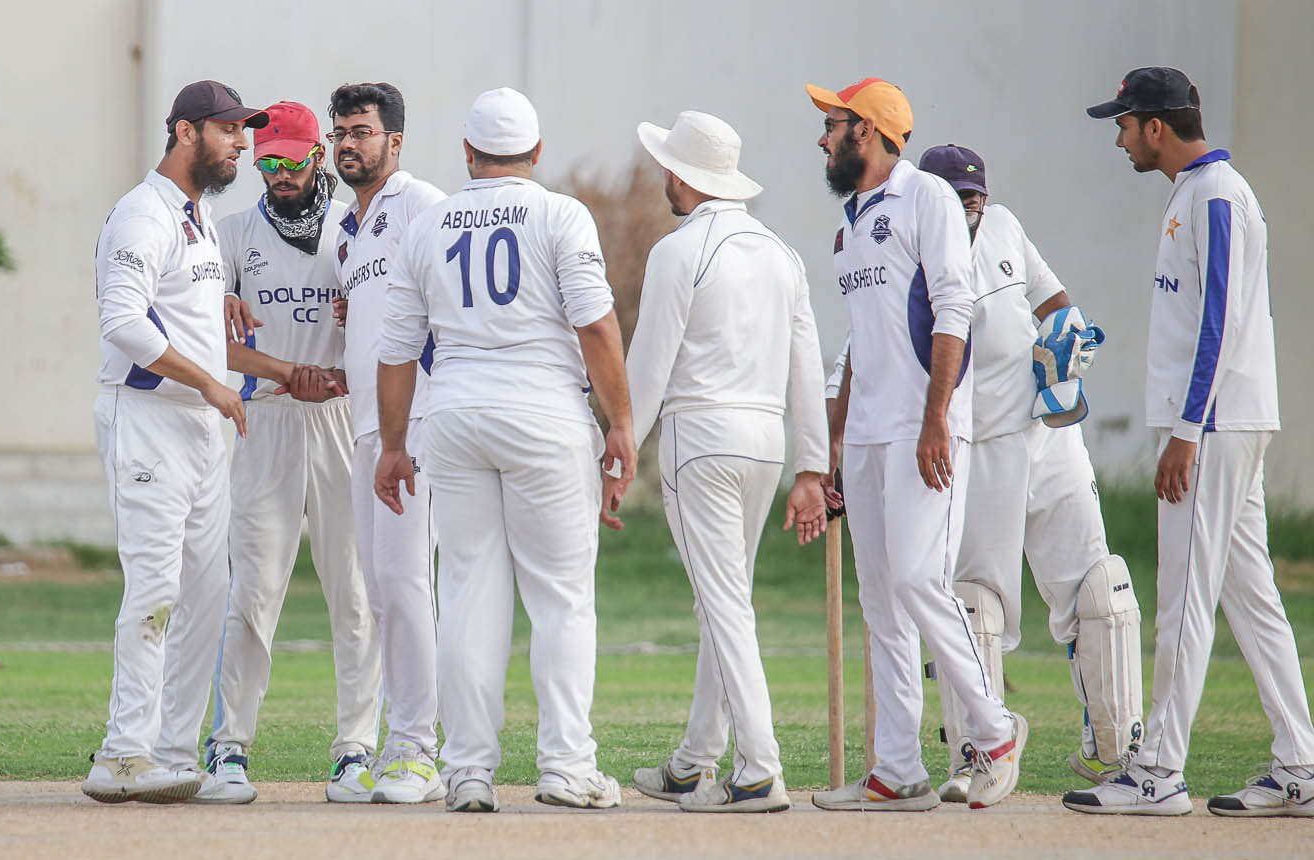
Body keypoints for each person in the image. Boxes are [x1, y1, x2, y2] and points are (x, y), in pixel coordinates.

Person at [373, 87, 634, 813]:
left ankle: (467, 771)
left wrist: (393, 446)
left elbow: (396, 352)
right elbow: (597, 326)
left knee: (466, 593)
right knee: (561, 599)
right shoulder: (560, 214)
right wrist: (620, 421)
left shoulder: (427, 225)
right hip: (545, 412)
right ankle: (566, 767)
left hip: (454, 414)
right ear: (537, 152)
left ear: (468, 152)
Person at [1067, 66, 1314, 818]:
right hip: (1221, 420)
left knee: (1183, 599)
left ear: (1156, 125)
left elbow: (1220, 322)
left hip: (1212, 424)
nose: (1119, 139)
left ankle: (1158, 772)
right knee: (1250, 597)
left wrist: (1185, 431)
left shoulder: (1216, 195)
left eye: (1124, 124)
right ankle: (1302, 764)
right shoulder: (1196, 192)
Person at [804, 77, 1026, 811]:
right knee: (881, 601)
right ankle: (897, 769)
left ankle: (994, 730)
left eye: (832, 124)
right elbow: (859, 343)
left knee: (918, 581)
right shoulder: (849, 223)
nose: (823, 138)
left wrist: (937, 418)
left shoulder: (926, 196)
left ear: (866, 130)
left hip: (924, 429)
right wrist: (833, 443)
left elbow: (954, 308)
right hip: (869, 435)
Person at [914, 144, 1143, 801]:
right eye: (956, 197)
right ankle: (982, 752)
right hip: (981, 445)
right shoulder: (913, 255)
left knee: (1099, 587)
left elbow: (1053, 299)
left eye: (975, 195)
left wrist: (1070, 339)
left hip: (1048, 430)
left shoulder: (1006, 225)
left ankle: (1119, 752)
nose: (970, 207)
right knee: (975, 602)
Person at [623, 110, 829, 814]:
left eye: (667, 169)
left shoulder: (678, 251)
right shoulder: (782, 254)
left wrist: (615, 455)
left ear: (683, 176)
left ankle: (759, 770)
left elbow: (649, 367)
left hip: (700, 439)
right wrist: (811, 467)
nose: (663, 179)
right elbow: (807, 364)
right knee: (724, 598)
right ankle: (694, 760)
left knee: (724, 603)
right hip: (766, 443)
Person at [81, 80, 263, 804]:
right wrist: (211, 382)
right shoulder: (143, 213)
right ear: (186, 132)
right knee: (156, 588)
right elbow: (124, 323)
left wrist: (217, 304)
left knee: (207, 596)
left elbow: (174, 299)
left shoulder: (199, 215)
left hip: (199, 430)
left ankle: (174, 756)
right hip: (149, 419)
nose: (241, 143)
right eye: (228, 130)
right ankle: (123, 754)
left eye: (243, 131)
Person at [201, 100, 383, 804]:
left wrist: (351, 336)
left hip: (341, 418)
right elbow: (210, 343)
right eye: (266, 161)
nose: (278, 174)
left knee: (355, 593)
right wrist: (285, 371)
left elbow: (391, 323)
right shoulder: (230, 236)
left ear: (317, 156)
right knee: (253, 590)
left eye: (291, 161)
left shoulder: (354, 230)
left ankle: (355, 751)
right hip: (268, 419)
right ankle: (229, 748)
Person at [327, 81, 450, 804]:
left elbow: (450, 302)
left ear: (394, 141)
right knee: (379, 591)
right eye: (340, 133)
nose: (348, 144)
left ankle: (418, 750)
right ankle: (404, 742)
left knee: (405, 585)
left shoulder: (420, 204)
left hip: (420, 422)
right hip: (367, 426)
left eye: (362, 132)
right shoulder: (347, 226)